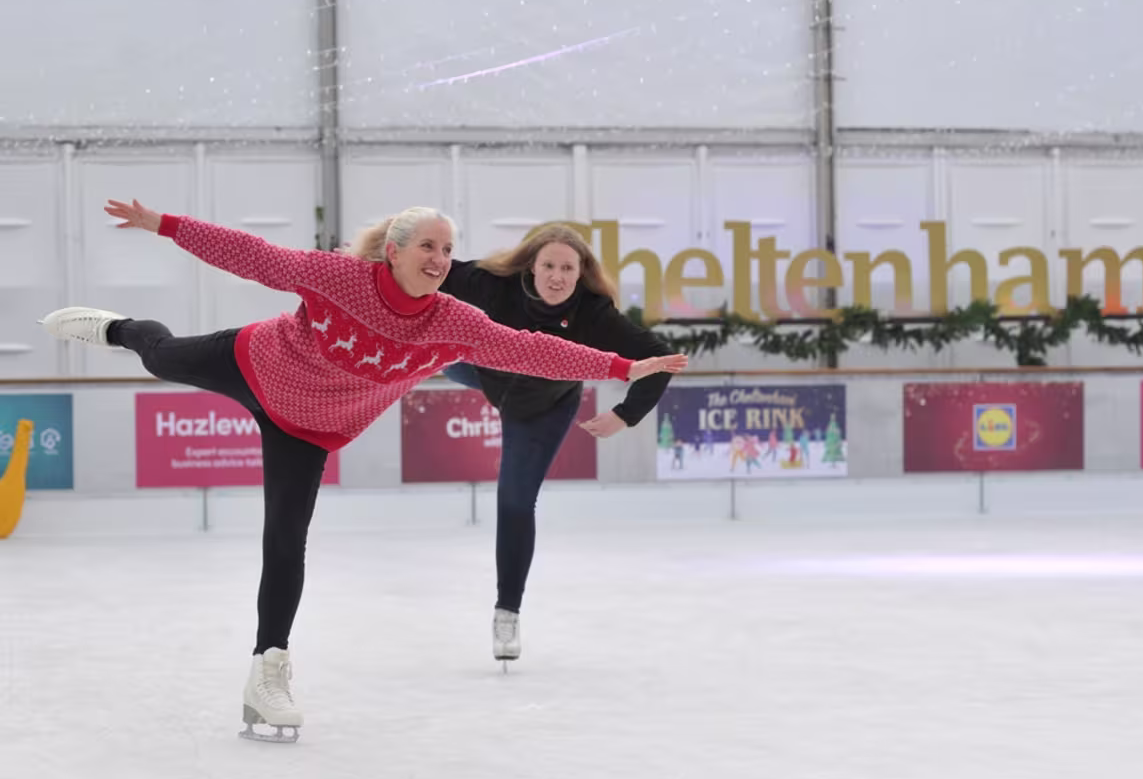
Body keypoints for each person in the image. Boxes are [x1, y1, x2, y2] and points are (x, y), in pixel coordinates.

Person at [40, 199, 687, 743]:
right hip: (255, 364)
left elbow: (529, 348)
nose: (440, 260)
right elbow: (255, 257)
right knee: (160, 356)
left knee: (284, 541)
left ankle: (268, 670)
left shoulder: (456, 322)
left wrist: (622, 369)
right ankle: (122, 328)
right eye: (429, 248)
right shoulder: (340, 278)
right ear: (394, 252)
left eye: (447, 249)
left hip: (309, 427)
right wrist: (163, 224)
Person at [348, 222, 677, 666]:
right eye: (548, 266)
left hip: (542, 408)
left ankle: (507, 611)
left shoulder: (594, 314)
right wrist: (360, 258)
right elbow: (424, 265)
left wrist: (625, 415)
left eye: (567, 268)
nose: (556, 277)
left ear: (580, 274)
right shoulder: (495, 286)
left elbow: (658, 359)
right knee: (439, 340)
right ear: (531, 266)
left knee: (515, 503)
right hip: (482, 372)